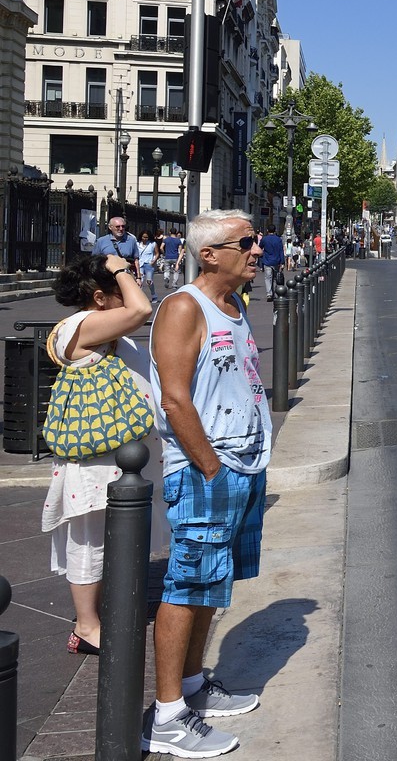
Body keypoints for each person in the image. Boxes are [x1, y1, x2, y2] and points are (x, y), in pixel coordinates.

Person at [143, 210, 270, 757]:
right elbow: (174, 398)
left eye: (257, 240)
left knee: (212, 586)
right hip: (205, 471)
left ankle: (193, 685)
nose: (259, 250)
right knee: (187, 586)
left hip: (241, 466)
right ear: (209, 254)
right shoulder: (182, 309)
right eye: (247, 242)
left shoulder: (233, 305)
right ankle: (168, 715)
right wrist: (210, 468)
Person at [40, 254, 156, 657]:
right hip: (96, 458)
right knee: (89, 540)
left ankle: (102, 613)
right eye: (119, 288)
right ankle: (88, 626)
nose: (128, 293)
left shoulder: (100, 327)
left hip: (115, 455)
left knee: (108, 537)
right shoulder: (84, 325)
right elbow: (142, 309)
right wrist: (121, 268)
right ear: (100, 297)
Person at [259, 227, 285, 301]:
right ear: (275, 231)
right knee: (276, 278)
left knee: (268, 278)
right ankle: (277, 292)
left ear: (267, 230)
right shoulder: (278, 239)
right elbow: (281, 251)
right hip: (276, 261)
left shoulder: (264, 239)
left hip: (267, 261)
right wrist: (282, 262)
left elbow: (260, 247)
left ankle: (269, 294)